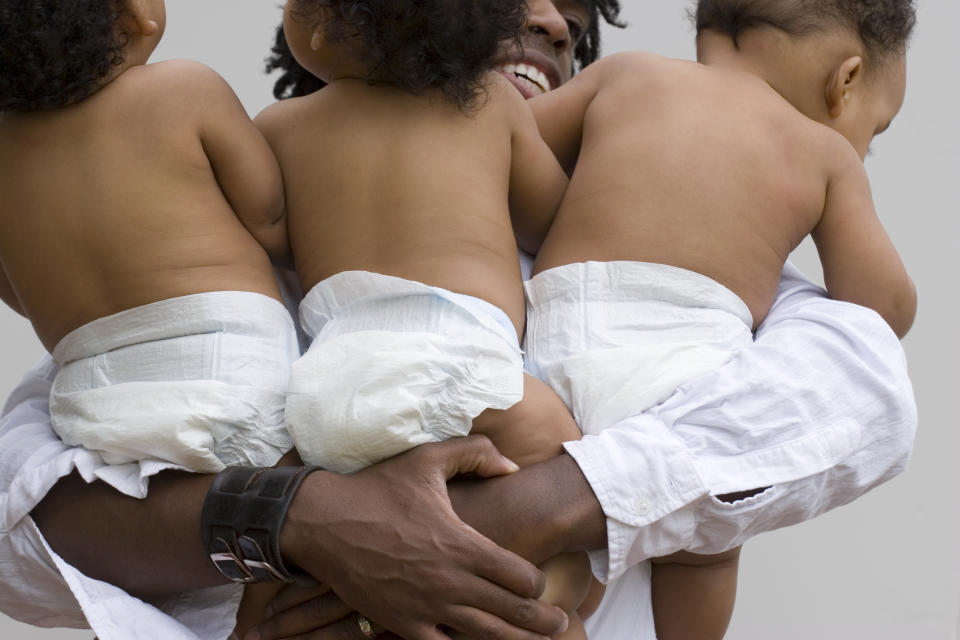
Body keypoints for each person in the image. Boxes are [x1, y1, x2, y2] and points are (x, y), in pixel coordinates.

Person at [0, 2, 915, 640]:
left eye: (575, 8)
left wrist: (461, 529)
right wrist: (305, 520)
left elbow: (860, 395)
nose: (554, 17)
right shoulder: (207, 262)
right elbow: (22, 525)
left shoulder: (726, 271)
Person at [523, 0, 916, 636]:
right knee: (705, 551)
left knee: (550, 565)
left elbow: (496, 151)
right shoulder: (822, 153)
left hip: (552, 355)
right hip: (683, 379)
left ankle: (560, 606)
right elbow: (882, 309)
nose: (863, 147)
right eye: (876, 129)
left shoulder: (624, 77)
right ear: (845, 80)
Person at [244, 0, 590, 636]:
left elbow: (271, 240)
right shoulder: (491, 100)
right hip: (462, 362)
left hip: (332, 382)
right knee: (577, 492)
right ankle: (551, 615)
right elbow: (553, 221)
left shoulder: (279, 126)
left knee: (293, 560)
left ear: (319, 23)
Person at [0, 0, 300, 475]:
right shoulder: (183, 88)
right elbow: (270, 221)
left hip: (92, 405)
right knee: (291, 484)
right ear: (137, 12)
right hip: (232, 367)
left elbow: (19, 295)